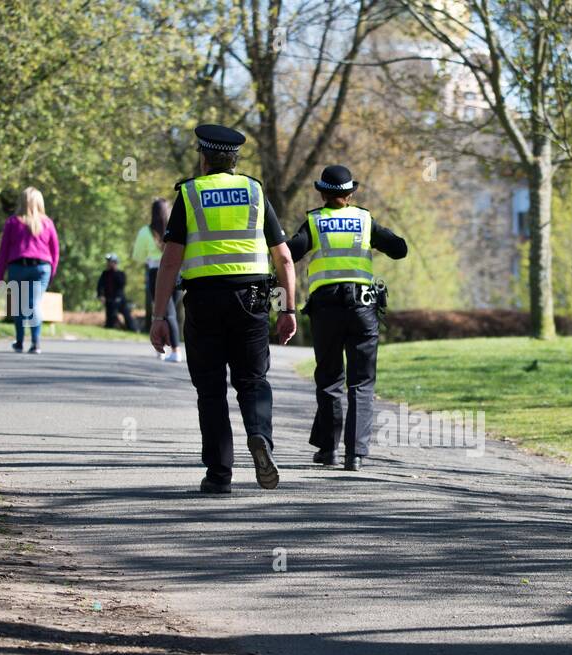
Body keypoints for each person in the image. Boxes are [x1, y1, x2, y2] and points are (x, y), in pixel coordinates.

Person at [150, 124, 298, 493]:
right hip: (251, 300)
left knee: (211, 389)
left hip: (203, 301)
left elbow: (169, 262)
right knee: (252, 381)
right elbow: (284, 258)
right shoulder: (254, 191)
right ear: (234, 159)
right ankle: (260, 435)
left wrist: (157, 316)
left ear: (203, 157)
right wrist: (288, 309)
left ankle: (219, 475)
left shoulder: (190, 193)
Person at [286, 165, 407, 470]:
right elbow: (399, 249)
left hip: (326, 309)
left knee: (328, 379)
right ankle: (355, 453)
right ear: (351, 193)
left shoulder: (314, 221)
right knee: (361, 382)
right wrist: (377, 241)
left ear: (322, 192)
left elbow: (290, 252)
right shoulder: (364, 220)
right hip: (362, 308)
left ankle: (329, 450)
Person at [0, 187, 59, 354]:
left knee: (19, 305)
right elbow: (55, 251)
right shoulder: (47, 223)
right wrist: (52, 273)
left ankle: (20, 341)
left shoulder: (13, 222)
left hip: (18, 266)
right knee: (34, 303)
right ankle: (36, 342)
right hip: (41, 267)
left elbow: (3, 251)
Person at [133, 198, 180, 339]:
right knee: (171, 312)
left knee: (165, 312)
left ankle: (174, 349)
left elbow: (138, 256)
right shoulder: (177, 228)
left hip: (156, 272)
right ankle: (169, 346)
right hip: (178, 273)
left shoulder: (145, 232)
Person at [97, 254, 135, 330]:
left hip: (119, 299)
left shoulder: (120, 274)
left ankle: (132, 329)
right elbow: (100, 285)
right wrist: (101, 295)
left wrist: (115, 270)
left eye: (110, 262)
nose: (108, 263)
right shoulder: (105, 274)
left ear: (115, 262)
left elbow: (121, 285)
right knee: (110, 316)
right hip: (109, 299)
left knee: (127, 315)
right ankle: (110, 327)